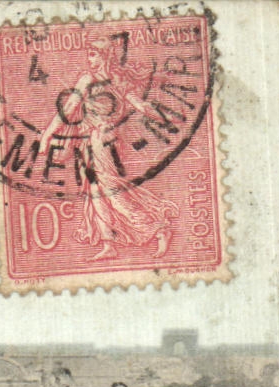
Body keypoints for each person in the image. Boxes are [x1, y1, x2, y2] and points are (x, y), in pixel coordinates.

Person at [36, 37, 179, 261]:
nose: (89, 59)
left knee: (111, 192)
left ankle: (158, 229)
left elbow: (140, 106)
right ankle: (108, 243)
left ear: (104, 56)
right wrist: (47, 134)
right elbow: (69, 109)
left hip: (103, 141)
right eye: (89, 54)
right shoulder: (92, 80)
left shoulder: (108, 81)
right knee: (95, 192)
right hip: (89, 141)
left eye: (93, 54)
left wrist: (165, 116)